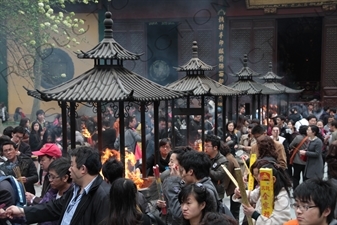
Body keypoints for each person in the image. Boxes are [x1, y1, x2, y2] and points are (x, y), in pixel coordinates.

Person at [3, 146, 110, 225]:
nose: (69, 169)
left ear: (83, 169)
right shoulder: (76, 189)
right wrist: (22, 211)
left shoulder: (103, 196)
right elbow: (53, 207)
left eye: (72, 165)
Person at [163, 150, 232, 224]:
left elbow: (179, 213)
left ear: (190, 172)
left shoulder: (205, 190)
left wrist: (173, 181)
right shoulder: (200, 185)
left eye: (182, 171)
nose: (181, 175)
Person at [233, 159, 292, 225]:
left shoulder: (282, 197)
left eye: (263, 180)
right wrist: (241, 193)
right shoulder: (265, 187)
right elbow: (252, 195)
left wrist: (254, 214)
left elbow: (279, 222)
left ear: (273, 179)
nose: (259, 183)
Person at [36, 157, 73, 225]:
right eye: (49, 176)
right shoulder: (52, 191)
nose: (50, 180)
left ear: (65, 178)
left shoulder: (72, 197)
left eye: (53, 177)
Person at [289, 125, 309, 190]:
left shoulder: (298, 137)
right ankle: (305, 190)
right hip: (307, 161)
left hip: (297, 161)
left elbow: (291, 146)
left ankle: (296, 190)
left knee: (296, 177)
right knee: (305, 177)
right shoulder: (310, 138)